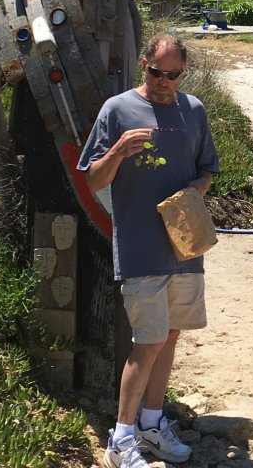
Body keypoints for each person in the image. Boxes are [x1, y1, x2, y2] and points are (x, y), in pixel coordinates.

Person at [77, 33, 219, 468]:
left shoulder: (193, 110)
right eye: (157, 72)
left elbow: (207, 169)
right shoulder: (116, 110)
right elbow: (93, 180)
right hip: (140, 248)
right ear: (143, 64)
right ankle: (120, 438)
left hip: (183, 247)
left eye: (173, 75)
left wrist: (195, 191)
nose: (164, 81)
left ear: (184, 73)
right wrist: (118, 151)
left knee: (171, 335)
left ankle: (152, 425)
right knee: (149, 341)